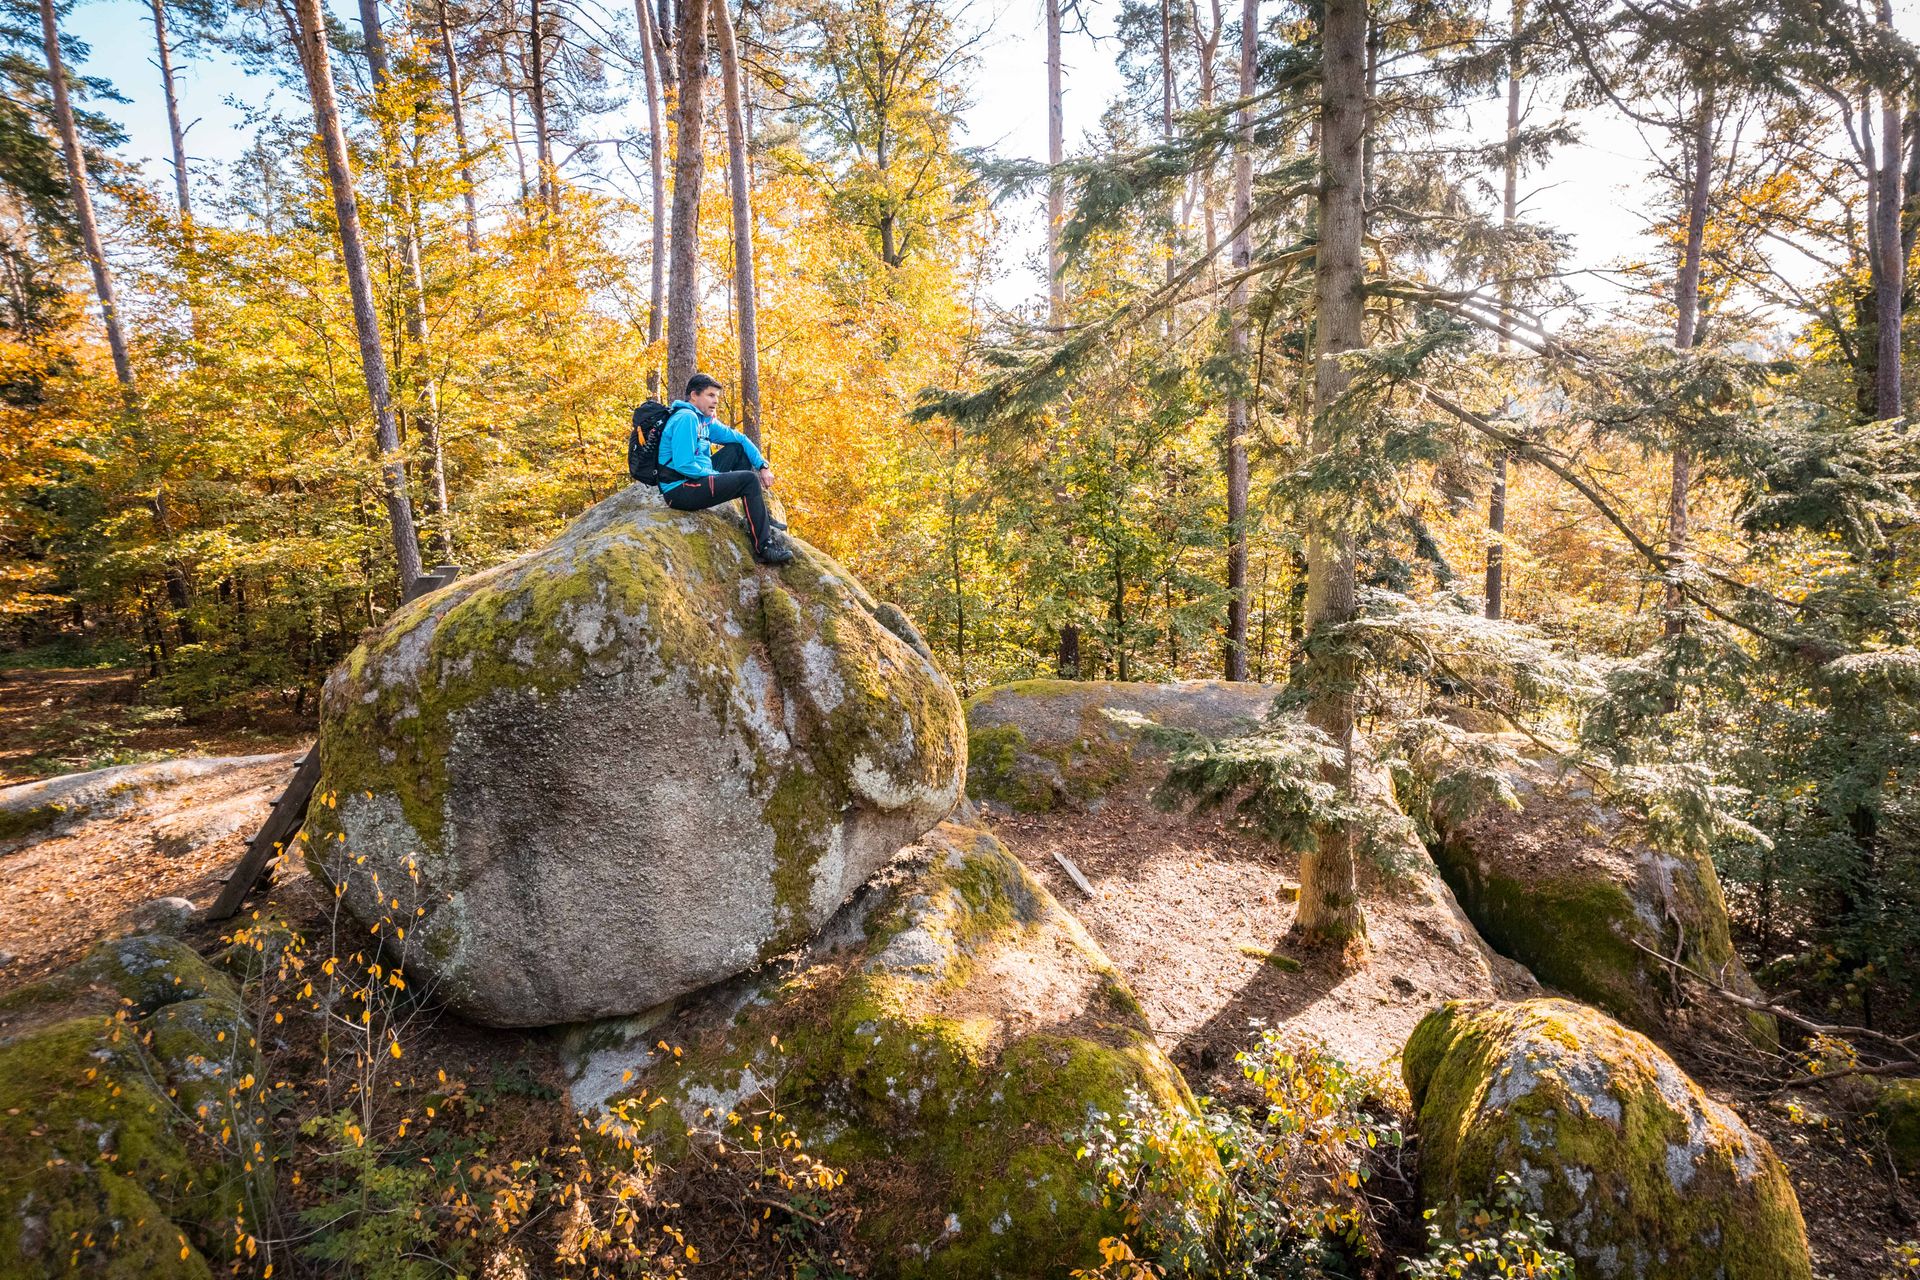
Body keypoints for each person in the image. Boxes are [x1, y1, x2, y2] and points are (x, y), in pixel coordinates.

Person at [657, 373, 793, 566]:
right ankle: (764, 548)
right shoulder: (686, 418)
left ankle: (757, 517)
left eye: (717, 397)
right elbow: (684, 464)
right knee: (748, 480)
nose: (715, 401)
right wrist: (717, 476)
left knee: (738, 450)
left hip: (696, 479)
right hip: (681, 489)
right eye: (710, 395)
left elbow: (740, 439)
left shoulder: (703, 421)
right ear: (694, 395)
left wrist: (763, 465)